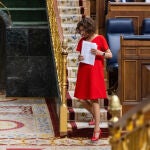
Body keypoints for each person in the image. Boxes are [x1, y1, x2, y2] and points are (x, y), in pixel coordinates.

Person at [74, 17, 112, 141]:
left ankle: (97, 129)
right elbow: (80, 56)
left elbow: (110, 55)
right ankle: (96, 116)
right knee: (80, 98)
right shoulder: (82, 41)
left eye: (83, 30)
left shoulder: (100, 38)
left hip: (95, 72)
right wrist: (79, 58)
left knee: (94, 99)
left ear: (89, 28)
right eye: (80, 31)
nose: (82, 33)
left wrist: (100, 53)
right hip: (84, 71)